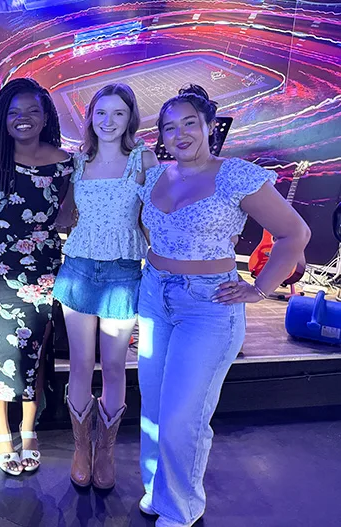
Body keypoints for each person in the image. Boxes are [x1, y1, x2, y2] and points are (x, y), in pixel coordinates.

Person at [136, 85, 310, 526]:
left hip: (207, 306)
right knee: (154, 407)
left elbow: (295, 234)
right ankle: (158, 491)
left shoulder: (234, 174)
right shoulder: (156, 175)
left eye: (190, 123)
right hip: (155, 295)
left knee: (183, 416)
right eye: (169, 127)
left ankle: (181, 507)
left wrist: (261, 289)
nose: (180, 134)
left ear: (210, 126)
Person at [52, 84, 158, 488]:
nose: (108, 121)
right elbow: (65, 214)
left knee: (114, 366)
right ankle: (82, 447)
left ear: (130, 117)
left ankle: (107, 452)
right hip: (79, 268)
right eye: (101, 113)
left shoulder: (143, 160)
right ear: (91, 118)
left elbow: (155, 217)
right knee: (80, 363)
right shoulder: (78, 162)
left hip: (123, 271)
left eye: (117, 113)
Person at [0, 78, 72, 476]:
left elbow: (66, 216)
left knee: (36, 350)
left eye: (32, 111)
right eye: (14, 112)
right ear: (2, 118)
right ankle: (2, 431)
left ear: (46, 114)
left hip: (44, 263)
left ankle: (29, 430)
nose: (23, 119)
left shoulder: (66, 161)